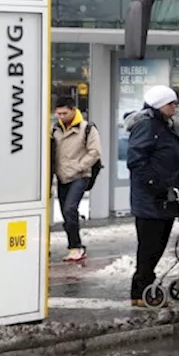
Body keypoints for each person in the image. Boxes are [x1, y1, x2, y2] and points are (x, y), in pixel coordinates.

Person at [125, 85, 179, 306]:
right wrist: (155, 184)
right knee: (150, 248)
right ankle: (141, 291)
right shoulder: (148, 126)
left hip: (164, 199)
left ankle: (144, 288)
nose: (175, 107)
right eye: (171, 104)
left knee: (155, 246)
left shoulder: (161, 125)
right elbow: (137, 160)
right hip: (152, 199)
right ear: (159, 105)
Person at [50, 97, 102, 263]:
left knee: (70, 209)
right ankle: (74, 245)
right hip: (62, 176)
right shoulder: (55, 128)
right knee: (67, 213)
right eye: (58, 113)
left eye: (64, 113)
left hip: (80, 175)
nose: (61, 116)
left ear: (73, 110)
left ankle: (76, 247)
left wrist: (79, 166)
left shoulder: (87, 129)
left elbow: (94, 152)